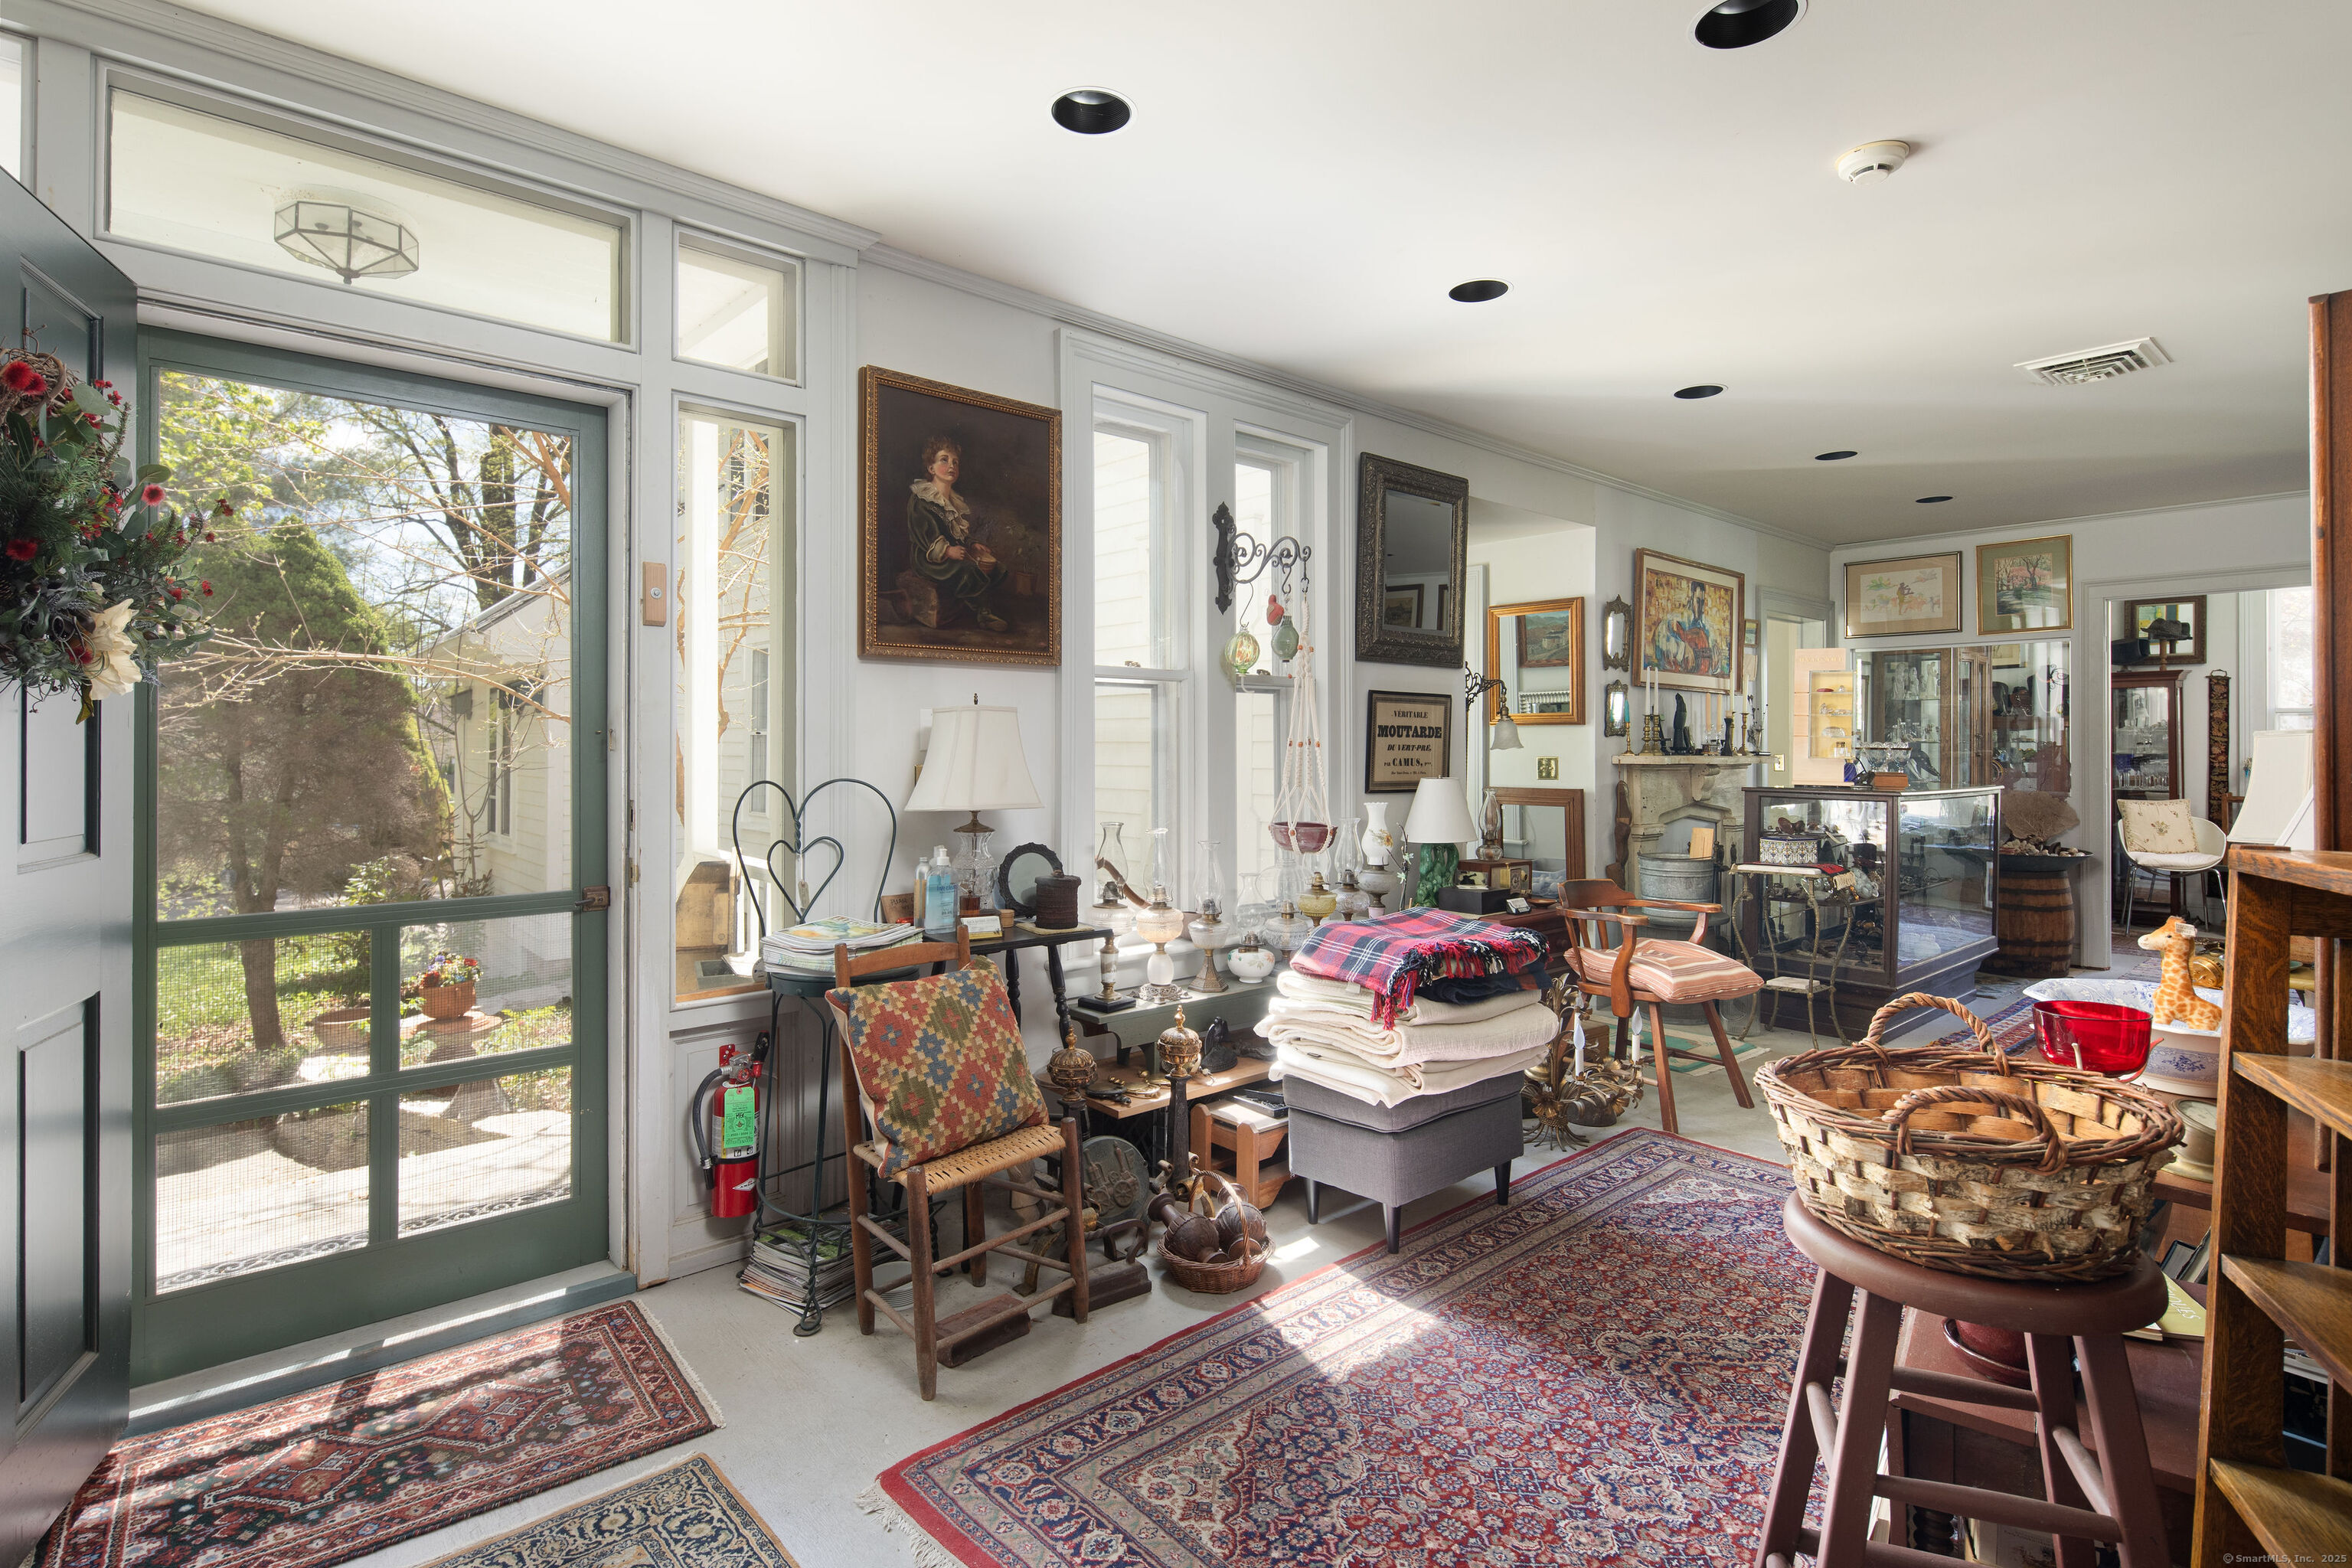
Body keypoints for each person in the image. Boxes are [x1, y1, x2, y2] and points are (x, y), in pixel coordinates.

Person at [905, 437, 1008, 632]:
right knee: (970, 571)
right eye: (944, 460)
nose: (951, 465)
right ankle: (983, 614)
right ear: (931, 468)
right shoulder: (921, 500)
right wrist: (947, 551)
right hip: (929, 558)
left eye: (955, 462)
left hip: (953, 553)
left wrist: (971, 544)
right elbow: (924, 537)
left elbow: (957, 533)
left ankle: (969, 604)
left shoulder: (953, 501)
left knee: (996, 568)